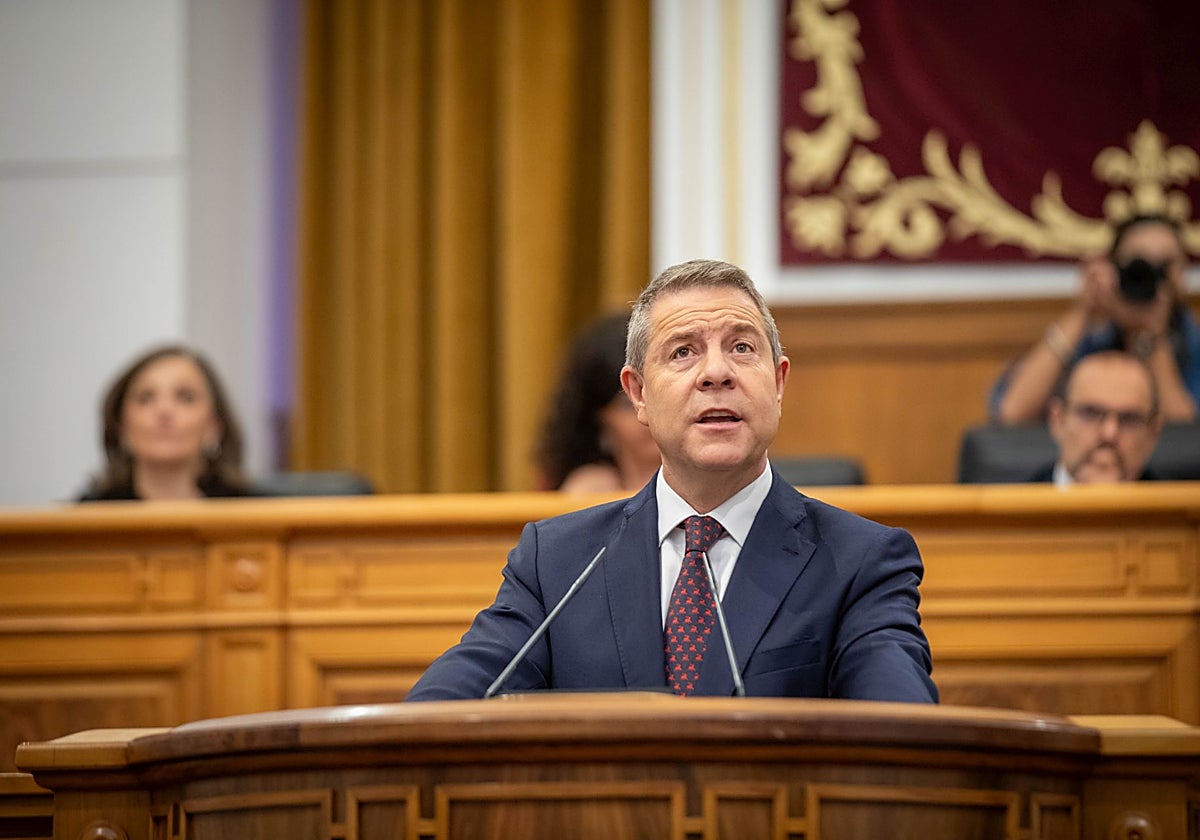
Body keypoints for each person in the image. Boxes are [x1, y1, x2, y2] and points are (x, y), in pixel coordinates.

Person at [407, 259, 937, 702]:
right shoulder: (556, 562)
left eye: (742, 348)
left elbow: (901, 732)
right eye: (683, 351)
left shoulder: (861, 562)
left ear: (778, 382)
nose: (716, 373)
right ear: (637, 393)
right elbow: (438, 712)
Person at [990, 214, 1199, 426]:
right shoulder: (1093, 341)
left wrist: (1153, 337)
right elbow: (1013, 412)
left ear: (1182, 273)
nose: (1151, 278)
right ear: (1115, 269)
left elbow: (1186, 436)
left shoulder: (1194, 344)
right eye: (1139, 265)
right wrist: (1084, 310)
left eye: (1165, 266)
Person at [79, 344, 250, 501]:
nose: (164, 411)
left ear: (215, 425)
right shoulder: (80, 523)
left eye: (185, 397)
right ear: (120, 425)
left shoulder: (259, 517)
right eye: (145, 398)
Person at [535, 312, 661, 492]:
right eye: (627, 404)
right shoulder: (585, 493)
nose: (646, 411)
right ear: (599, 417)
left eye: (657, 396)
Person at [1033, 350, 1163, 485]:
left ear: (1153, 433)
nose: (1109, 433)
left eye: (1128, 419)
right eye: (1091, 414)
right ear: (1058, 420)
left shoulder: (1179, 504)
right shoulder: (1017, 502)